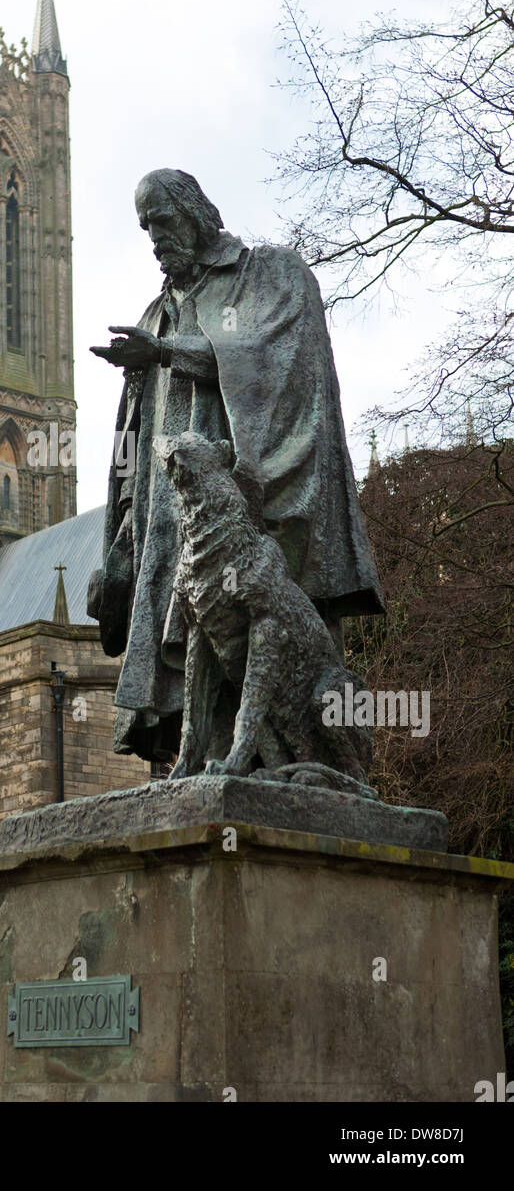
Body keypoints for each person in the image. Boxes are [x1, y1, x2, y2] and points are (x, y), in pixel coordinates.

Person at [87, 168, 384, 765]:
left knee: (253, 627)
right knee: (189, 641)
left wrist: (166, 352)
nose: (155, 238)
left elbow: (274, 366)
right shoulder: (156, 312)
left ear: (196, 214)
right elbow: (132, 433)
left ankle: (272, 760)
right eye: (146, 228)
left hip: (242, 506)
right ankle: (193, 760)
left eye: (163, 221)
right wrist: (119, 541)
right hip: (166, 517)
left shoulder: (267, 275)